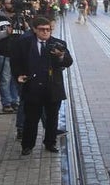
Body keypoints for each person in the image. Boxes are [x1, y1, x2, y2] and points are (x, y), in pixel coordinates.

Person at [10, 17, 73, 155]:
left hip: (53, 88)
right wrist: (19, 75)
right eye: (42, 30)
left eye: (48, 30)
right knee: (31, 118)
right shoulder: (24, 43)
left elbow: (68, 61)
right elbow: (15, 62)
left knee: (52, 118)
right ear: (34, 30)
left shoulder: (58, 43)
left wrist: (61, 56)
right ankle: (27, 145)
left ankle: (50, 143)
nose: (45, 32)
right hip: (32, 87)